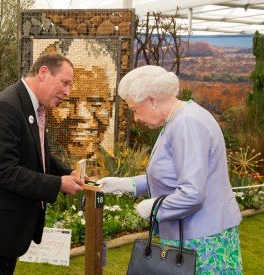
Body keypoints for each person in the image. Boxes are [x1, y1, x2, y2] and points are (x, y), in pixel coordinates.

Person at [97, 65, 243, 273]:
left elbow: (192, 193)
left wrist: (154, 208)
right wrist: (127, 184)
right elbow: (170, 174)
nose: (136, 118)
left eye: (134, 110)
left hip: (202, 239)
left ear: (153, 100)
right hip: (194, 234)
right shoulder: (179, 118)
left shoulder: (187, 123)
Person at [0, 53, 85, 274]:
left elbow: (39, 157)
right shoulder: (6, 107)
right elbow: (4, 171)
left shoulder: (32, 107)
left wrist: (70, 173)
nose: (67, 92)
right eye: (65, 83)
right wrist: (58, 184)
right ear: (43, 73)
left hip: (8, 228)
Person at [33, 38, 117, 159]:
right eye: (65, 102)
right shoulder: (36, 158)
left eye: (96, 104)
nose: (81, 115)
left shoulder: (114, 167)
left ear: (110, 106)